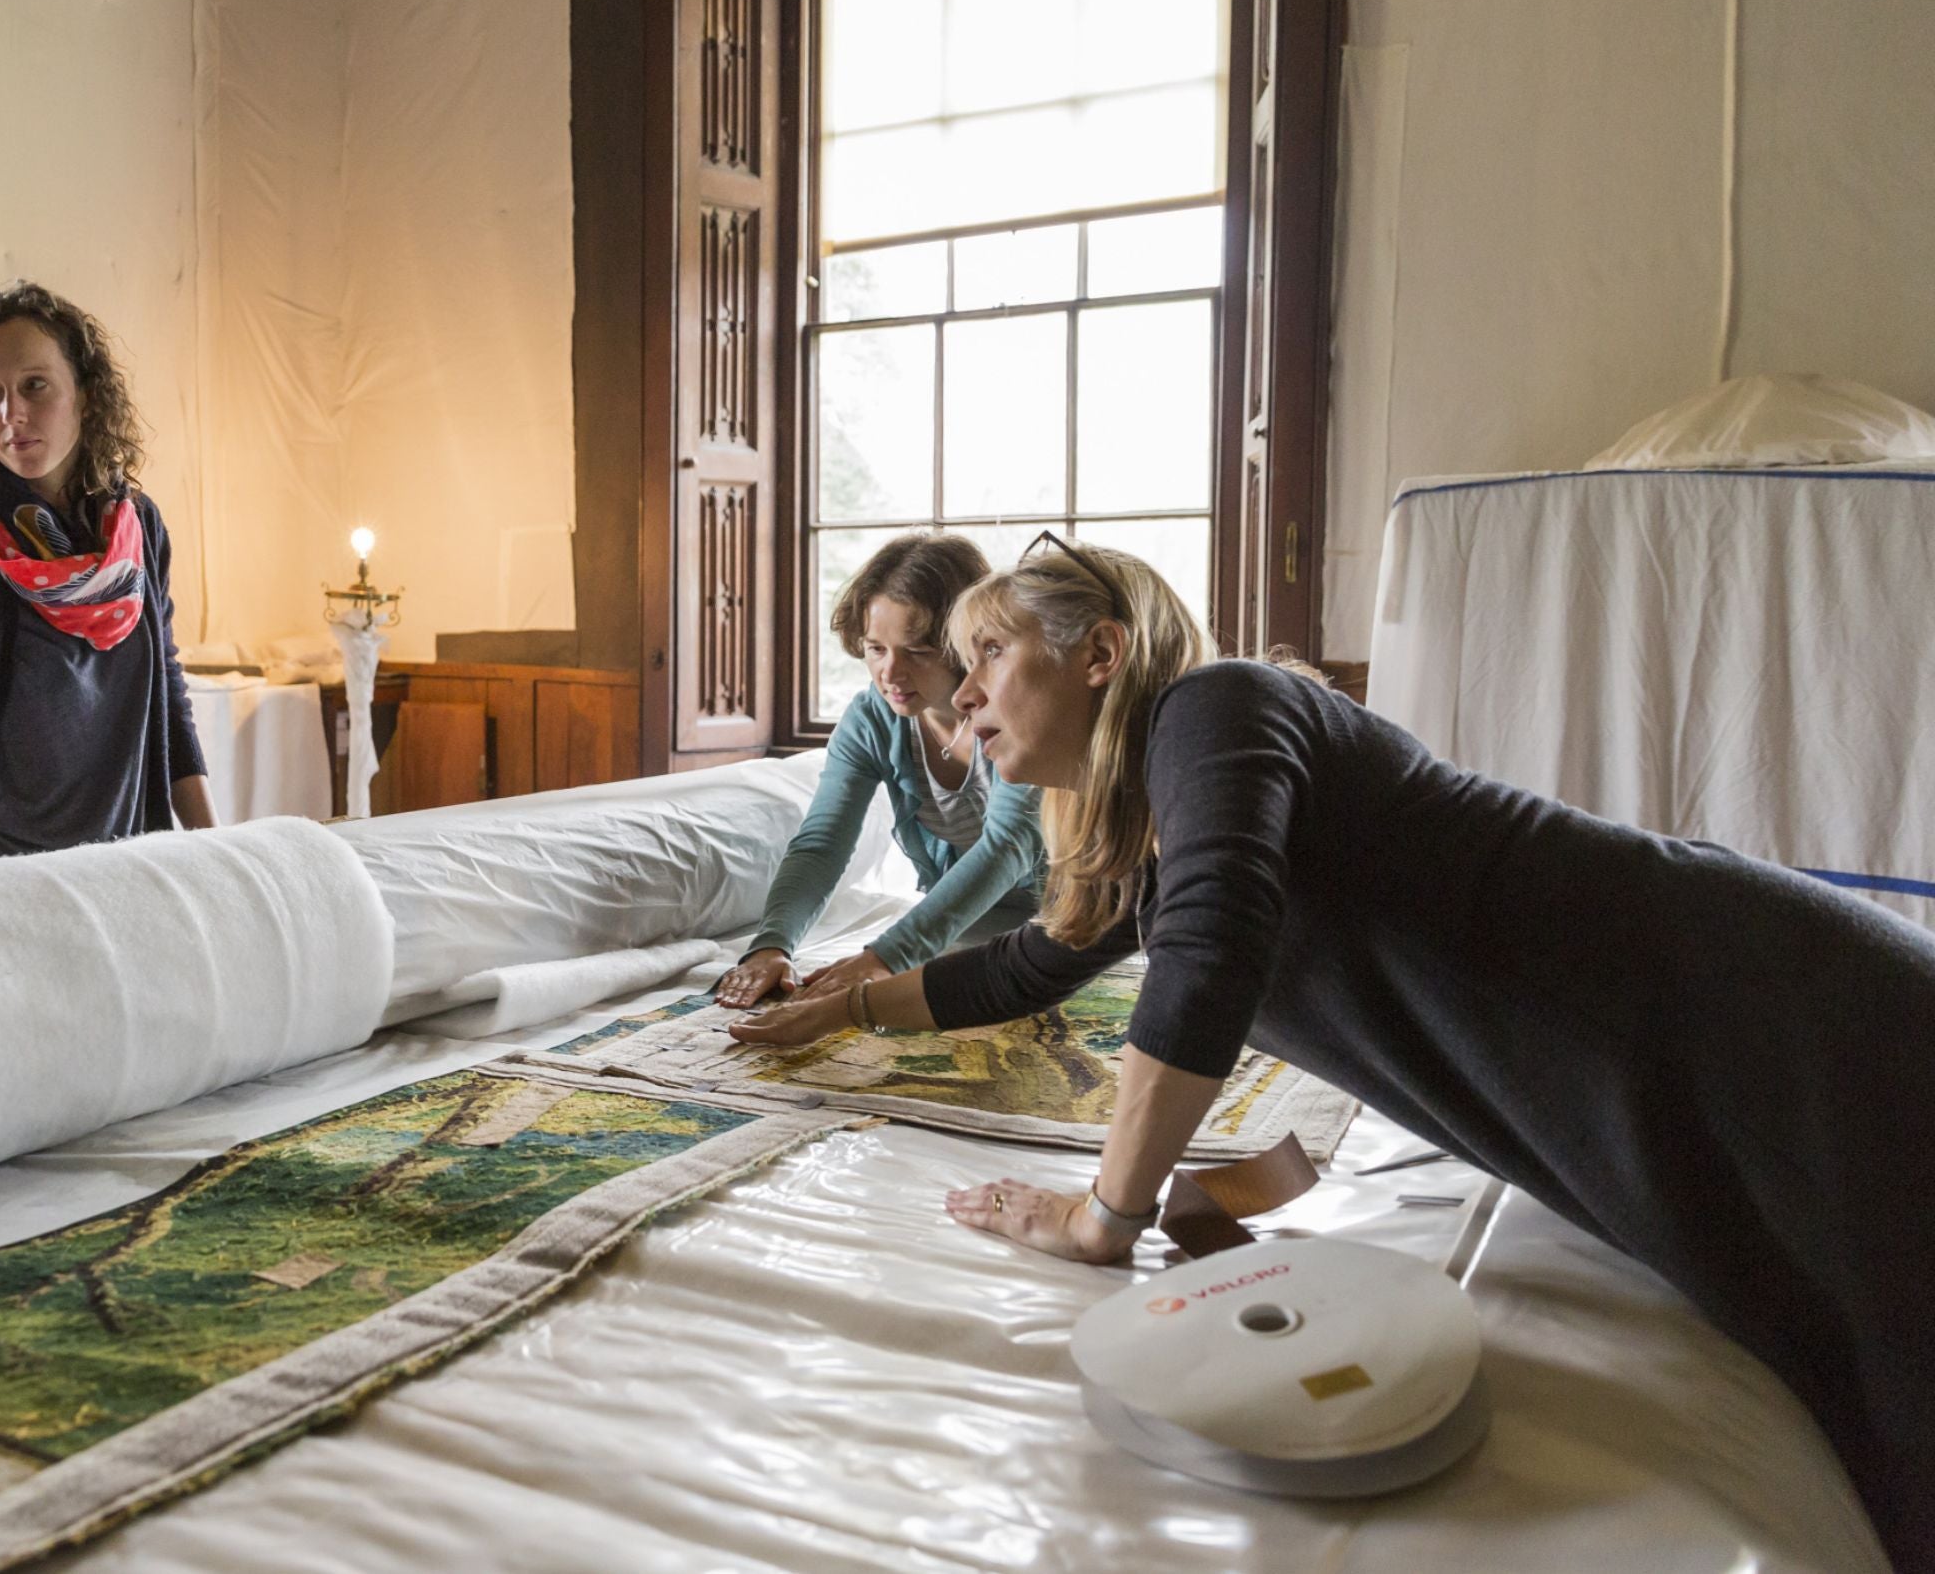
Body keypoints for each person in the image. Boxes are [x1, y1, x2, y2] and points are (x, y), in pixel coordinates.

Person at [727, 534, 1935, 1565]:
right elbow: (1033, 961)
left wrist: (1105, 1213)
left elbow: (1212, 952)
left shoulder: (1218, 707)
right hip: (1653, 1077)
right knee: (1855, 1385)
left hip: (1767, 1005)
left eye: (987, 652)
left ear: (1099, 654)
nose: (961, 693)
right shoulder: (1147, 828)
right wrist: (850, 1006)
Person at [0, 284, 210, 869]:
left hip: (114, 876)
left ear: (87, 393)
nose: (11, 414)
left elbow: (166, 699)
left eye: (35, 385)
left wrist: (217, 847)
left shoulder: (138, 529)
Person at [714, 533, 1044, 1009]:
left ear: (967, 644)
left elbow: (1006, 847)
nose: (890, 672)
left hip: (1074, 928)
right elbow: (823, 842)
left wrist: (883, 958)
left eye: (918, 651)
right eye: (875, 649)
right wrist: (773, 946)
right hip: (966, 934)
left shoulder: (1019, 714)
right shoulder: (872, 719)